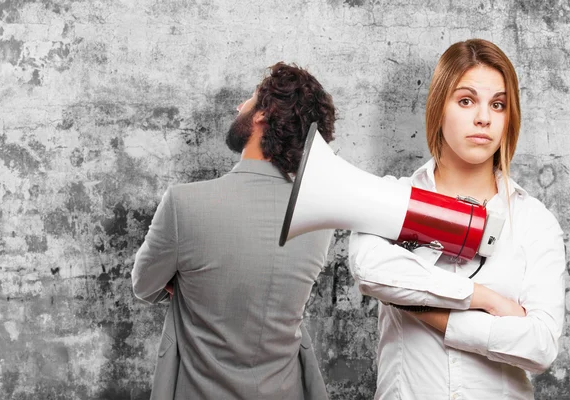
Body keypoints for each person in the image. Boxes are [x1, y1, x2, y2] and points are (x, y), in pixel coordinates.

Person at [349, 39, 566, 399]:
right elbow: (370, 270)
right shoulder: (391, 199)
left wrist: (433, 314)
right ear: (439, 108)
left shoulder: (533, 220)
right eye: (466, 101)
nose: (484, 117)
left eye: (498, 104)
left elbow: (541, 346)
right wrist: (486, 299)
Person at [132, 62, 336, 400]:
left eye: (250, 99)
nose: (239, 106)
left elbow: (144, 285)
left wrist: (186, 282)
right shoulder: (320, 220)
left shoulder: (185, 204)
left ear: (262, 115)